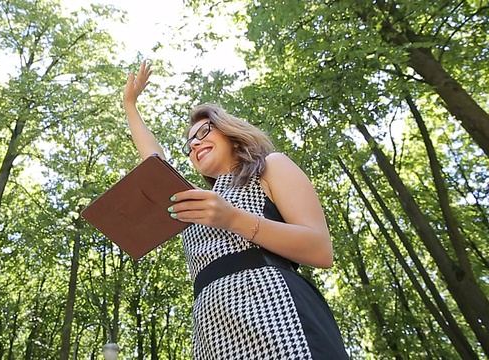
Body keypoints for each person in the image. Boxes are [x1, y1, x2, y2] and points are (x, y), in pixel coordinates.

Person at [123, 60, 349, 359]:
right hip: (211, 328)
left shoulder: (271, 167)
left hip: (275, 312)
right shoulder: (193, 200)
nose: (194, 145)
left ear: (228, 130)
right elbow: (153, 160)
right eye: (189, 144)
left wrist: (232, 218)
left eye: (203, 132)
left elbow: (320, 250)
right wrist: (130, 105)